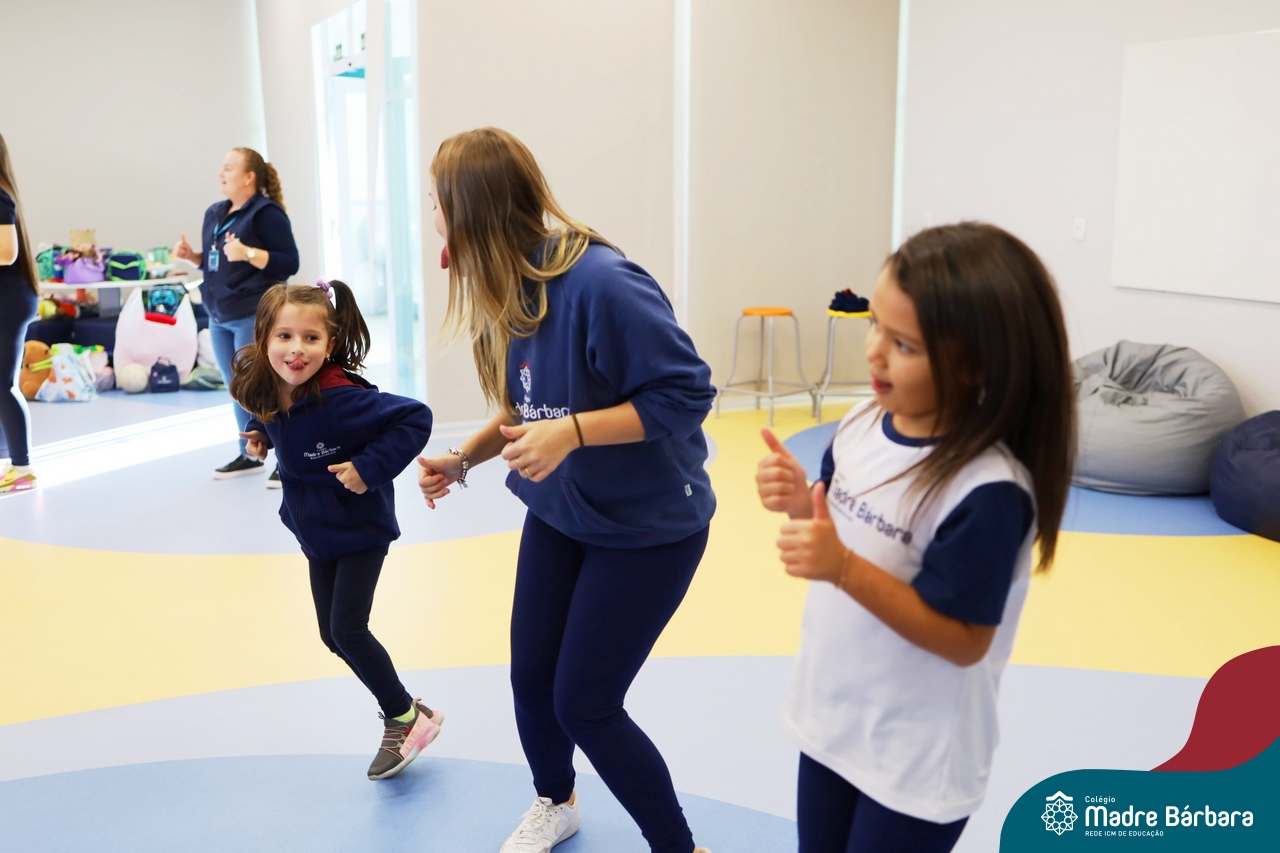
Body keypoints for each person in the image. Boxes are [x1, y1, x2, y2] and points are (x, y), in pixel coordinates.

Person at [416, 128, 716, 853]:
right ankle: (556, 801)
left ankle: (679, 848)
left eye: (438, 203)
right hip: (562, 512)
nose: (434, 218)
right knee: (531, 679)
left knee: (585, 702)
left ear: (472, 210)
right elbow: (530, 406)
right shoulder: (511, 288)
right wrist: (464, 458)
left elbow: (687, 394)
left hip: (648, 528)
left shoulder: (602, 283)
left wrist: (574, 433)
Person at [756, 223, 1075, 853]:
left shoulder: (986, 490)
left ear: (976, 364)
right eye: (876, 325)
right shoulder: (861, 423)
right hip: (833, 719)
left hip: (917, 759)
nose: (874, 352)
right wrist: (797, 501)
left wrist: (841, 567)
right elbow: (833, 524)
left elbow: (963, 641)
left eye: (903, 344)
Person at [232, 280, 442, 780]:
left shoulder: (340, 399)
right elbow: (275, 417)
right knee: (332, 635)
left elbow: (415, 418)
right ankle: (411, 709)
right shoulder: (271, 384)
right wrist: (262, 435)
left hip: (360, 528)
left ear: (329, 345)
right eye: (284, 336)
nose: (296, 350)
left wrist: (369, 467)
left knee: (348, 628)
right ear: (265, 338)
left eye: (311, 339)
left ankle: (404, 718)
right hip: (317, 531)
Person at [174, 147, 299, 486]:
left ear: (249, 177)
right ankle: (250, 453)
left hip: (252, 315)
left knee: (266, 387)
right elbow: (215, 260)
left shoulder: (267, 214)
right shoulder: (216, 212)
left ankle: (287, 458)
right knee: (238, 388)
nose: (221, 173)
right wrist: (192, 257)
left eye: (228, 168)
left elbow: (289, 263)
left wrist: (250, 253)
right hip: (219, 315)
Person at [0, 132, 39, 494]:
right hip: (9, 298)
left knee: (3, 385)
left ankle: (22, 469)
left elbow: (6, 252)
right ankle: (8, 462)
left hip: (9, 300)